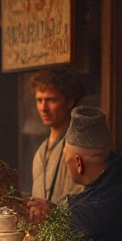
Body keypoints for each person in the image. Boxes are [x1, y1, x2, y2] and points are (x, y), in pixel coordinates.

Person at [29, 107, 122, 241]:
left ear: (79, 163)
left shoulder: (120, 190)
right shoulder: (115, 178)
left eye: (65, 157)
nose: (65, 162)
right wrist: (52, 209)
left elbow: (90, 218)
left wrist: (52, 213)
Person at [27, 68, 86, 209]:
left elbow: (84, 201)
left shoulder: (79, 146)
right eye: (39, 100)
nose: (43, 108)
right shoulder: (41, 151)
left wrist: (52, 209)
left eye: (51, 100)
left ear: (69, 101)